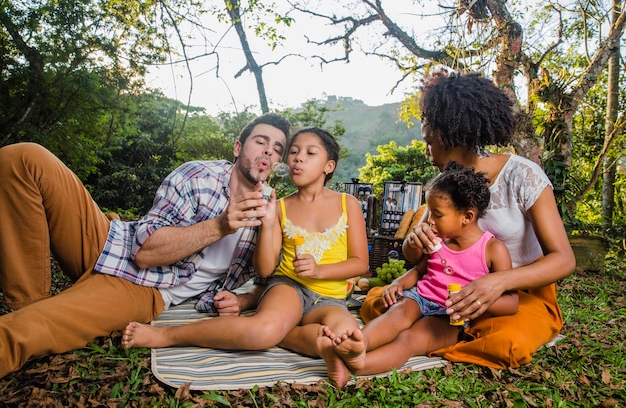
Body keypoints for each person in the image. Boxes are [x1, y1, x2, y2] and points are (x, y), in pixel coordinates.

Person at [0, 112, 291, 379]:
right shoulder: (198, 177)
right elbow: (145, 252)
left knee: (22, 332)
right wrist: (220, 225)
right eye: (261, 141)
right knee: (25, 158)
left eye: (277, 148)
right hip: (111, 240)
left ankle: (30, 319)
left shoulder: (272, 211)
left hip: (144, 289)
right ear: (238, 148)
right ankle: (28, 303)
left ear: (278, 164)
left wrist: (243, 300)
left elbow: (270, 279)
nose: (268, 151)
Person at [360, 69, 576, 369]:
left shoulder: (523, 176)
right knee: (380, 304)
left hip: (514, 293)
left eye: (429, 141)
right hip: (447, 288)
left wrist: (496, 283)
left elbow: (564, 259)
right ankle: (438, 327)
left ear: (450, 134)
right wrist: (414, 240)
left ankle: (442, 329)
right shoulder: (445, 184)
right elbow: (415, 257)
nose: (427, 151)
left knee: (508, 342)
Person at [121, 127, 369, 387]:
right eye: (293, 152)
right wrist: (269, 223)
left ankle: (322, 346)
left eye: (310, 153)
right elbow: (264, 269)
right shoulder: (280, 206)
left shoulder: (347, 203)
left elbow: (359, 263)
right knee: (262, 331)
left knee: (347, 334)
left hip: (331, 298)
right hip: (289, 288)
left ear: (328, 166)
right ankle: (168, 335)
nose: (298, 158)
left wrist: (319, 272)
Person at [322, 161, 519, 379]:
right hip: (420, 298)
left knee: (410, 339)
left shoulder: (492, 250)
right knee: (397, 315)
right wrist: (397, 284)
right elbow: (419, 271)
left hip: (450, 316)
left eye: (437, 215)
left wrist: (474, 300)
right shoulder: (437, 240)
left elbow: (511, 302)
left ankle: (359, 365)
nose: (430, 222)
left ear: (467, 217)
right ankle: (358, 344)